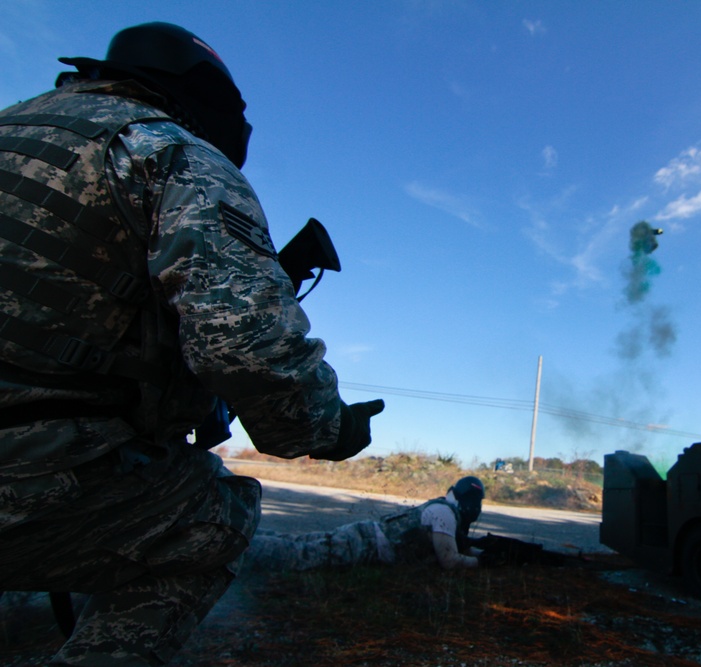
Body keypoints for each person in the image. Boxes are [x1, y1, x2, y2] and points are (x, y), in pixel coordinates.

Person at [0, 22, 383, 666]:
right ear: (200, 95)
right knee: (217, 520)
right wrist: (328, 428)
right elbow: (248, 346)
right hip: (28, 475)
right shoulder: (166, 150)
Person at [248, 476, 487, 571]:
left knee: (297, 543)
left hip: (363, 538)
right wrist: (483, 562)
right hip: (364, 545)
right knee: (297, 555)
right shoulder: (444, 514)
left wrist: (481, 550)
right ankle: (237, 550)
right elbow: (450, 560)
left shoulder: (443, 508)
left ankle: (241, 540)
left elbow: (455, 547)